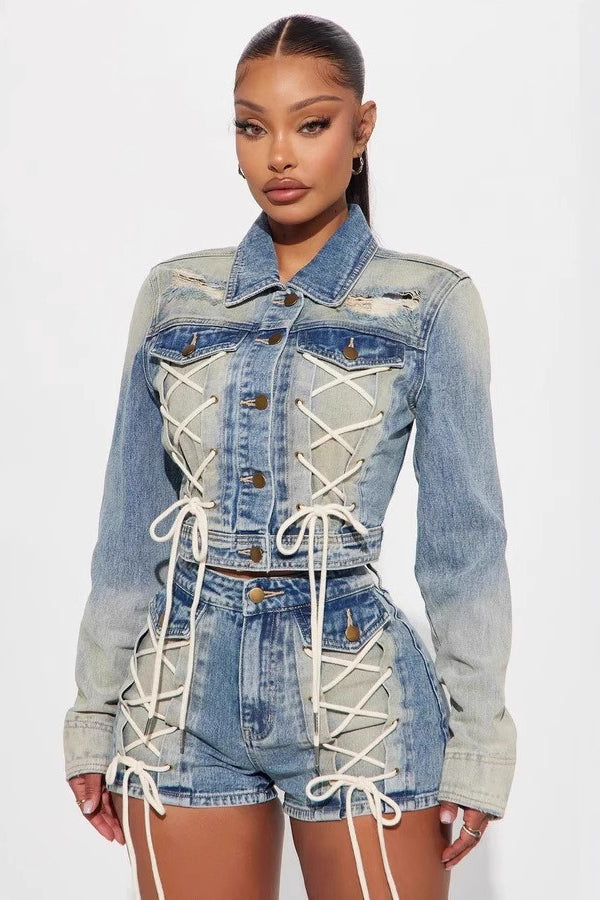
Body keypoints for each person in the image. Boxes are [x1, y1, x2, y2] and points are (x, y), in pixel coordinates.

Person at [63, 13, 517, 900]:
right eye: (251, 126)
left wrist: (480, 749)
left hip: (357, 700)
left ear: (362, 128)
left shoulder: (428, 302)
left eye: (311, 124)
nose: (278, 155)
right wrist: (92, 712)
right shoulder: (175, 295)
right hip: (177, 699)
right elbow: (126, 533)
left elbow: (465, 548)